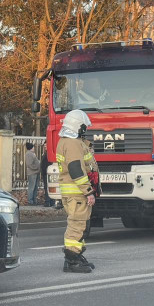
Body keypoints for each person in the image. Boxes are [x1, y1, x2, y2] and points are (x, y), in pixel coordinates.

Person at [55, 109, 98, 273]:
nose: (85, 129)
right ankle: (72, 261)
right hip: (77, 193)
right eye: (84, 126)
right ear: (78, 127)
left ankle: (77, 256)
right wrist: (88, 191)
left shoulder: (67, 141)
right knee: (76, 225)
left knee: (79, 225)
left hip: (73, 192)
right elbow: (76, 169)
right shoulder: (72, 144)